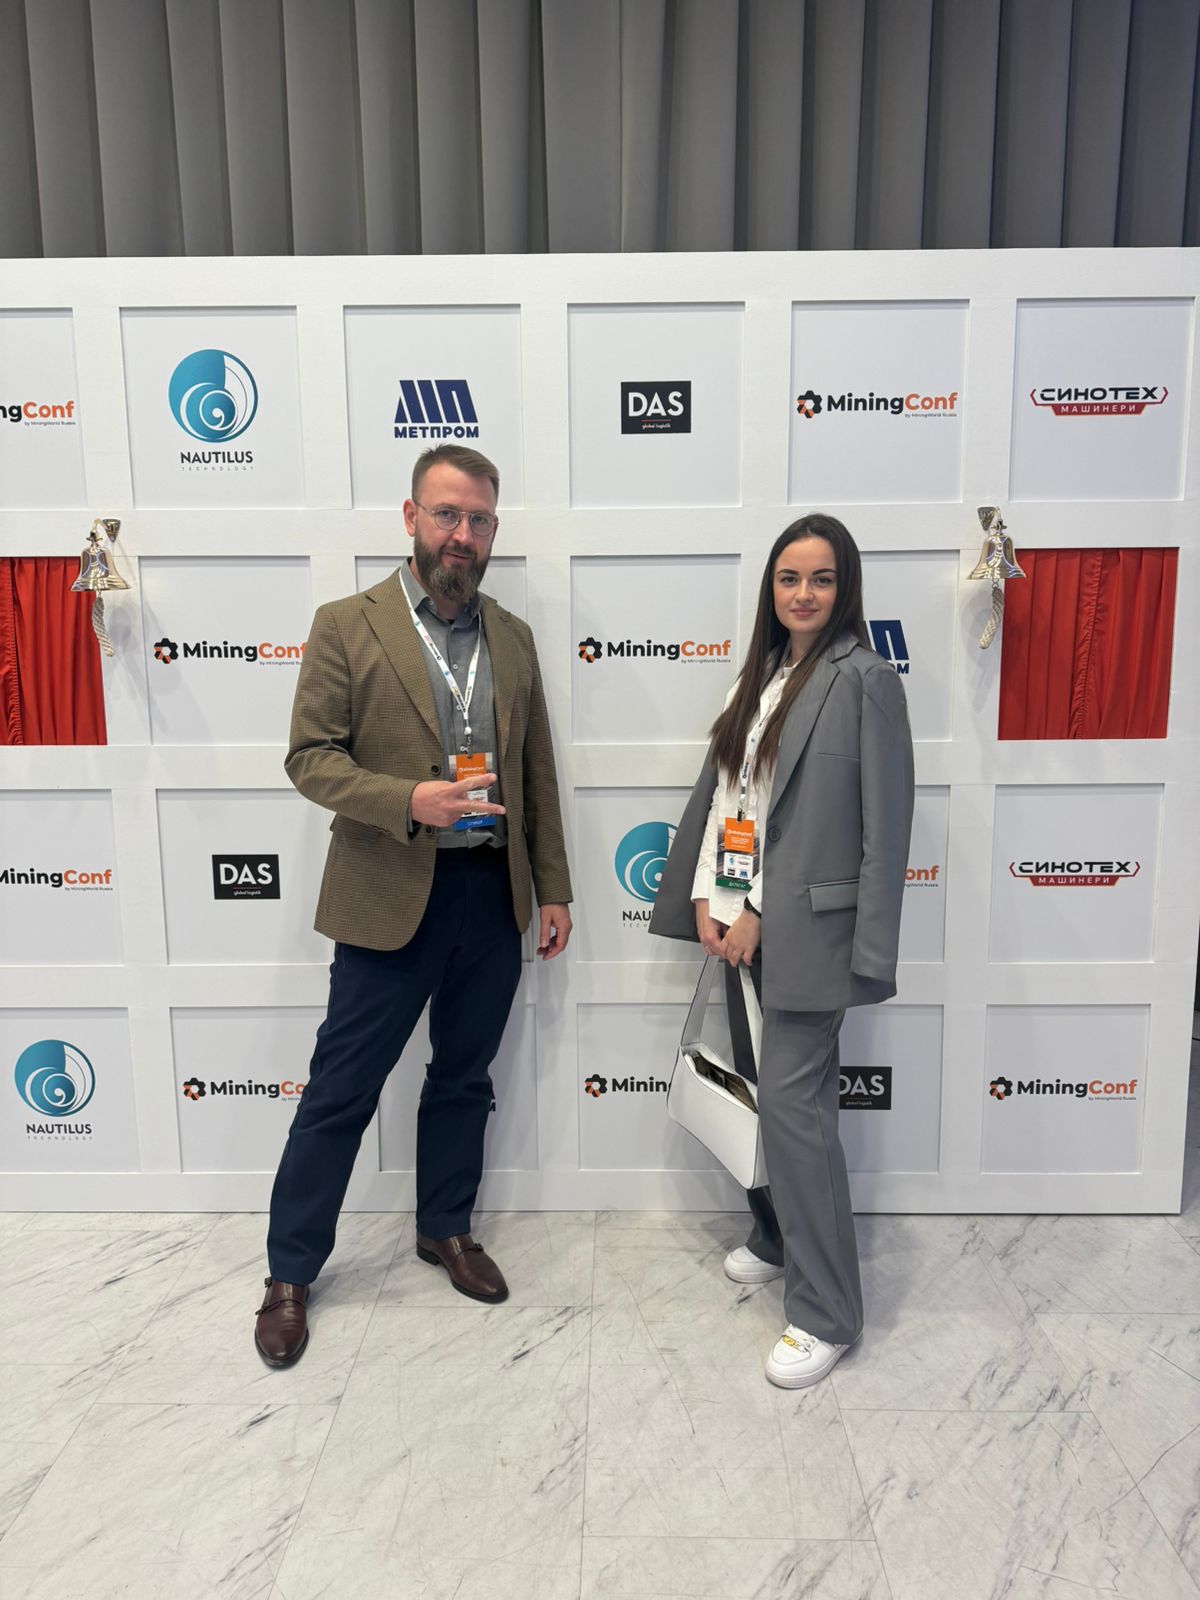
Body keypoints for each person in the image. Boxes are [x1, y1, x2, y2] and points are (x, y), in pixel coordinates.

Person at [255, 444, 573, 1368]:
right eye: (446, 515)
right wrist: (408, 801)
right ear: (410, 518)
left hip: (491, 896)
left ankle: (446, 1228)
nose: (461, 535)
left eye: (478, 520)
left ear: (492, 531)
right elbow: (309, 758)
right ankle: (289, 1274)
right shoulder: (346, 625)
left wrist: (552, 885)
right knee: (340, 1091)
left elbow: (536, 770)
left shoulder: (512, 637)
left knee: (464, 1078)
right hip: (389, 897)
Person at [650, 513, 913, 1388]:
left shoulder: (867, 680)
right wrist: (708, 895)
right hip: (734, 923)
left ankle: (828, 1312)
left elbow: (882, 832)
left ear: (846, 588)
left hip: (808, 935)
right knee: (761, 1096)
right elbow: (732, 801)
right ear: (771, 588)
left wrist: (766, 912)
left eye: (822, 579)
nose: (804, 594)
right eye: (789, 578)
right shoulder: (760, 676)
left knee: (798, 1117)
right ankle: (773, 1235)